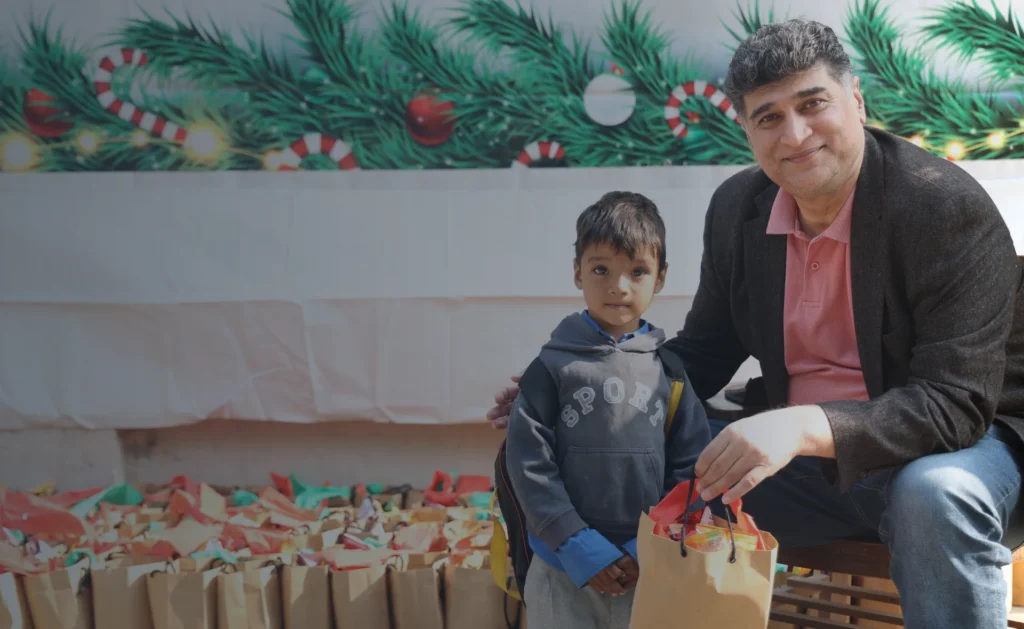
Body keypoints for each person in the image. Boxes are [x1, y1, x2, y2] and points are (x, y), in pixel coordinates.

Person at [489, 19, 1024, 629]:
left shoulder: (940, 205)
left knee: (937, 496)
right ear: (746, 129)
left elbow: (955, 406)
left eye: (813, 103)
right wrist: (588, 381)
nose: (795, 135)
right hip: (792, 468)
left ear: (856, 100)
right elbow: (708, 350)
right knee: (586, 451)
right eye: (768, 117)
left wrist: (801, 426)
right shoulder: (738, 207)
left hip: (949, 450)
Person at [504, 191, 711, 629]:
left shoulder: (669, 372)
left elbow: (691, 469)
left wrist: (649, 548)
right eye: (601, 269)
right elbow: (527, 464)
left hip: (652, 565)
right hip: (563, 566)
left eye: (637, 271)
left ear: (661, 278)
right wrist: (577, 545)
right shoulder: (550, 368)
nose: (619, 286)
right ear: (577, 273)